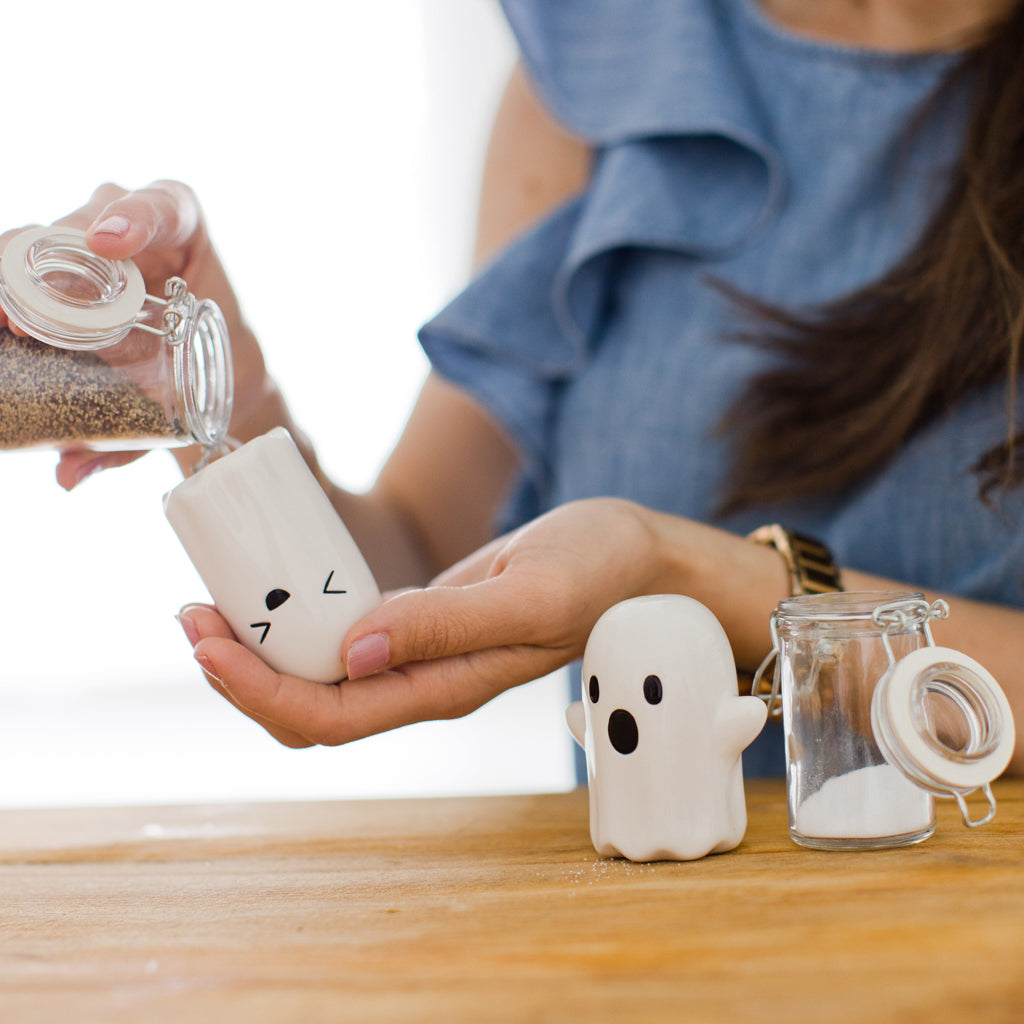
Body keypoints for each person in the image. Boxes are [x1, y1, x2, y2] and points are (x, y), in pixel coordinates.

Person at [3, 0, 1023, 776]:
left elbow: (625, 564)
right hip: (649, 951)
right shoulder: (595, 73)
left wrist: (678, 571)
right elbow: (409, 559)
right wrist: (215, 390)